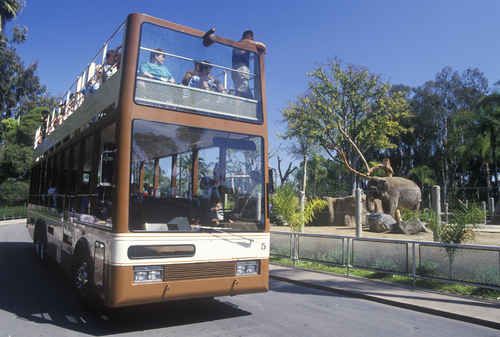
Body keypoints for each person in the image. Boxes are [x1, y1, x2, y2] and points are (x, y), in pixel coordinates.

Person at [232, 30, 266, 98]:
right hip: (242, 69)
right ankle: (235, 108)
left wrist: (256, 56)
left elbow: (245, 58)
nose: (252, 41)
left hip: (236, 69)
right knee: (239, 94)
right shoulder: (245, 41)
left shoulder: (238, 45)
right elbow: (263, 46)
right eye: (252, 39)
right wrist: (264, 50)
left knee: (249, 96)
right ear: (249, 36)